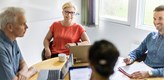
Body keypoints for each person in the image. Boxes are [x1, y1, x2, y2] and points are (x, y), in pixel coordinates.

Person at [124, 5, 164, 79]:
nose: (156, 22)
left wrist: (149, 73)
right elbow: (137, 51)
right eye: (154, 19)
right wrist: (130, 58)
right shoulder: (151, 36)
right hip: (142, 71)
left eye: (160, 18)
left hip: (158, 76)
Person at [0, 7, 37, 80]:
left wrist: (23, 72)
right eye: (23, 24)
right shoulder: (1, 48)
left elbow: (23, 63)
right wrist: (31, 71)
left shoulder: (12, 40)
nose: (27, 27)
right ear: (10, 27)